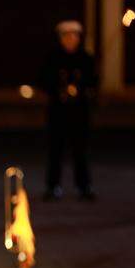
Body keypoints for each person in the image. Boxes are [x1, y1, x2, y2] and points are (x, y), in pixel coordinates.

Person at [39, 20, 97, 201]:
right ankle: (53, 186)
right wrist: (60, 90)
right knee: (55, 150)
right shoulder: (53, 58)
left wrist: (80, 89)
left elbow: (94, 80)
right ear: (61, 38)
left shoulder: (85, 58)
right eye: (67, 36)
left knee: (80, 150)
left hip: (79, 112)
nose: (71, 39)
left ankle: (84, 186)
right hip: (58, 111)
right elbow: (43, 81)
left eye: (74, 36)